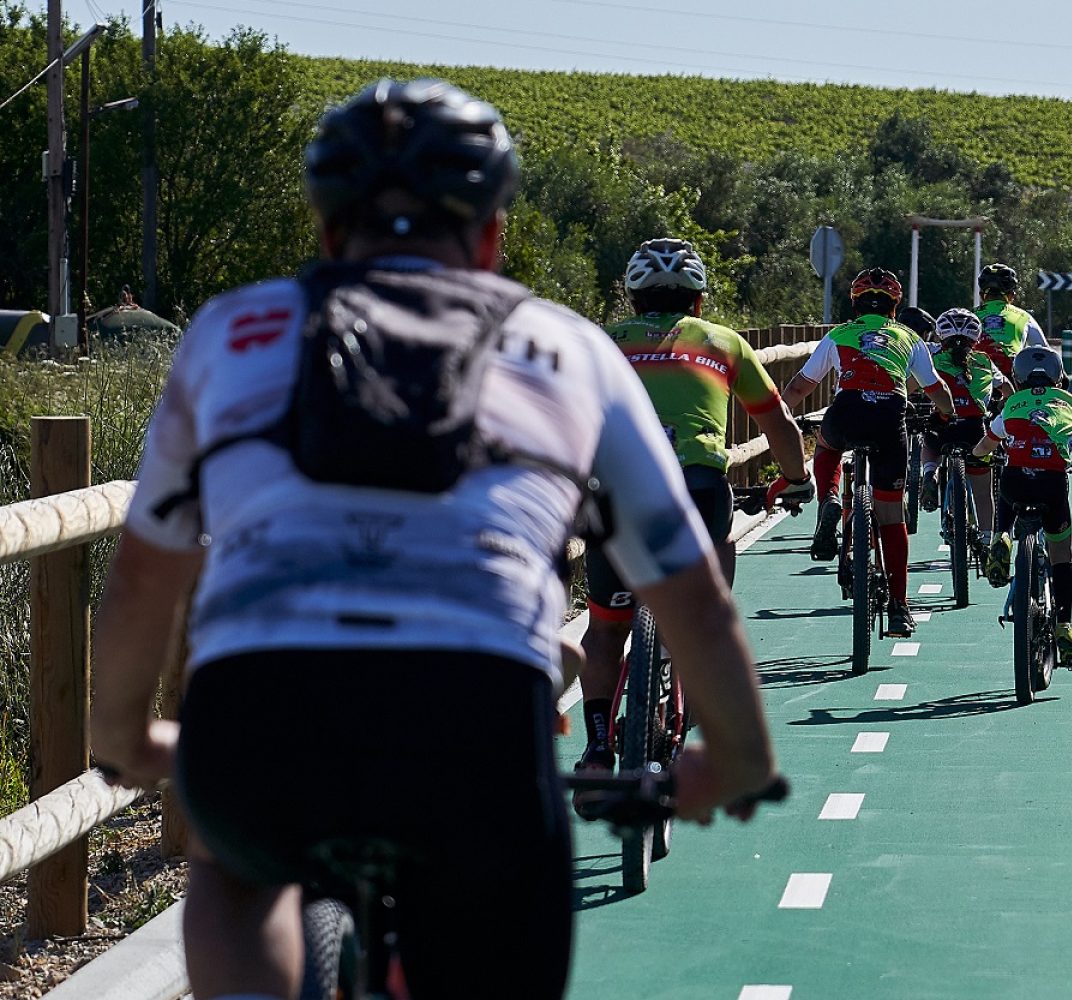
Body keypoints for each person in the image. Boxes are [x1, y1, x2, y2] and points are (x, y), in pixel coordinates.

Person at [86, 78, 777, 1000]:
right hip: (475, 710)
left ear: (329, 230)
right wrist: (736, 759)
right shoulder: (570, 348)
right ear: (491, 235)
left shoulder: (229, 331)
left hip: (263, 703)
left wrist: (123, 739)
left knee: (241, 870)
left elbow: (143, 576)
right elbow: (689, 590)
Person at [575, 237, 813, 773]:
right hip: (696, 487)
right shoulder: (723, 342)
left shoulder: (599, 344)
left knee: (607, 625)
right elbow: (778, 423)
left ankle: (595, 748)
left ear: (631, 300)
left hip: (614, 493)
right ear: (700, 301)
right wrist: (796, 480)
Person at [779, 267, 955, 638]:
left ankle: (828, 498)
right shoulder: (909, 338)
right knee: (892, 516)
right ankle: (899, 608)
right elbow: (937, 391)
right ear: (895, 306)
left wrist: (782, 416)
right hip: (889, 418)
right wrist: (944, 414)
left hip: (846, 413)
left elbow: (800, 386)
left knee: (827, 446)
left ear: (855, 303)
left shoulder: (839, 334)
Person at [974, 345, 1072, 670]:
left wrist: (980, 457)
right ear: (1058, 377)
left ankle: (1002, 537)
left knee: (1007, 483)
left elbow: (986, 445)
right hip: (1053, 484)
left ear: (1018, 376)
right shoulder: (1070, 403)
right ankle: (1064, 624)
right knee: (1062, 557)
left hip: (1016, 481)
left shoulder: (1012, 403)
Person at [919, 309, 1008, 552]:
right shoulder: (984, 361)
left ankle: (930, 473)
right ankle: (988, 540)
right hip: (974, 429)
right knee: (982, 490)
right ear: (976, 337)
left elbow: (910, 386)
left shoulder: (933, 359)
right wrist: (1002, 405)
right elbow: (1008, 390)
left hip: (944, 425)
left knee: (929, 438)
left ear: (941, 335)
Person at [974, 263, 1049, 378]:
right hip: (1011, 376)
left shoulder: (970, 316)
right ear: (1011, 296)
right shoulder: (1024, 317)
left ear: (981, 295)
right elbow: (1045, 352)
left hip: (976, 375)